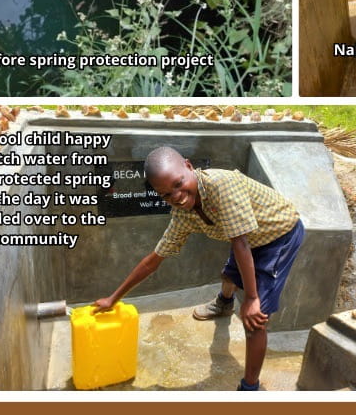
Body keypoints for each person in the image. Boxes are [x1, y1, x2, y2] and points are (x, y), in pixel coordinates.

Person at [93, 147, 305, 391]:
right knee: (229, 275)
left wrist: (252, 298)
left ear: (189, 166)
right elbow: (154, 259)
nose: (177, 196)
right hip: (245, 238)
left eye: (179, 183)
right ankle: (225, 304)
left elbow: (240, 243)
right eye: (166, 194)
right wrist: (113, 298)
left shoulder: (221, 185)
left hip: (278, 235)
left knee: (255, 320)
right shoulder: (184, 215)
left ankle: (250, 388)